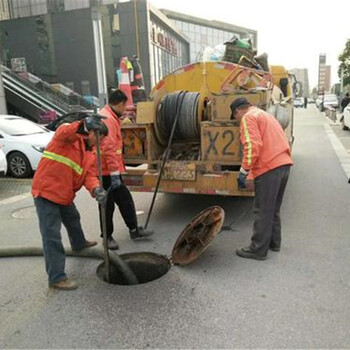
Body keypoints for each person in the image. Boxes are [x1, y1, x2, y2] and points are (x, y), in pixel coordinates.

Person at [32, 116, 108, 290]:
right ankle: (56, 278)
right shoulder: (68, 139)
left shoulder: (89, 154)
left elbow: (89, 176)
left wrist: (96, 189)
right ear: (91, 133)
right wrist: (83, 124)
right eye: (99, 138)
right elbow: (65, 131)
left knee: (73, 218)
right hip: (47, 192)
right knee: (52, 236)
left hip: (64, 194)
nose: (99, 143)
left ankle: (78, 244)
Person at [230, 98, 293, 260]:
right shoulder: (266, 115)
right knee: (273, 208)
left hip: (269, 168)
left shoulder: (248, 118)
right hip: (283, 165)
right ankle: (274, 242)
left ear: (238, 111)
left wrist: (244, 171)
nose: (237, 121)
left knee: (263, 210)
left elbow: (252, 146)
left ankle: (257, 249)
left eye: (235, 117)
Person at [98, 89, 153, 250]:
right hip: (106, 172)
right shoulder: (107, 119)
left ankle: (134, 229)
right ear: (120, 104)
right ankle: (107, 237)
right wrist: (115, 174)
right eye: (125, 106)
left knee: (125, 200)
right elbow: (108, 149)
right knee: (107, 205)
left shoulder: (111, 116)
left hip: (111, 170)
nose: (125, 109)